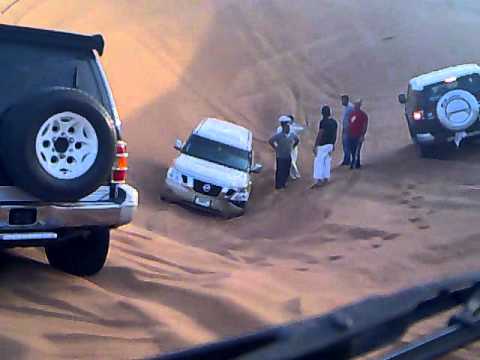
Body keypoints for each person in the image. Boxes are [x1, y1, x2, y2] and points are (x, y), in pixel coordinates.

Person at [269, 116, 299, 190]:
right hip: (280, 156)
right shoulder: (279, 135)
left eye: (288, 127)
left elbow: (297, 140)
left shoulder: (292, 134)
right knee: (280, 171)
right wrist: (276, 148)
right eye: (286, 127)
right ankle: (278, 185)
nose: (287, 128)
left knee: (286, 170)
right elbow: (271, 141)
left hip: (288, 155)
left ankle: (283, 183)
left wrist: (293, 147)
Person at [312, 105, 338, 187]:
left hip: (323, 145)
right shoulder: (334, 122)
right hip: (330, 144)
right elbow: (335, 134)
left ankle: (319, 180)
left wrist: (315, 145)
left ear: (322, 113)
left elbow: (320, 134)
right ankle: (326, 178)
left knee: (319, 162)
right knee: (327, 161)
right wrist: (333, 144)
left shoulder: (323, 122)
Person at [276, 115, 304, 179]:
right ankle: (295, 173)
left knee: (291, 160)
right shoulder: (291, 128)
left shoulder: (290, 128)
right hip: (289, 147)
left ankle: (291, 174)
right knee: (291, 161)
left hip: (289, 146)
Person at [348, 100, 368, 169]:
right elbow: (349, 123)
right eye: (355, 105)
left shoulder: (363, 115)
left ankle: (356, 163)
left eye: (357, 105)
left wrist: (362, 135)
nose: (355, 106)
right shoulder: (352, 114)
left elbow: (365, 126)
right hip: (351, 134)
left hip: (358, 135)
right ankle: (355, 162)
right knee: (352, 150)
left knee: (357, 150)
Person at [340, 95, 354, 166]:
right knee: (345, 144)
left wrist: (349, 127)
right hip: (345, 128)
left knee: (347, 144)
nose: (342, 101)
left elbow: (353, 118)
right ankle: (346, 159)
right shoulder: (346, 107)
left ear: (346, 100)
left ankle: (347, 160)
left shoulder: (350, 107)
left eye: (343, 100)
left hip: (348, 129)